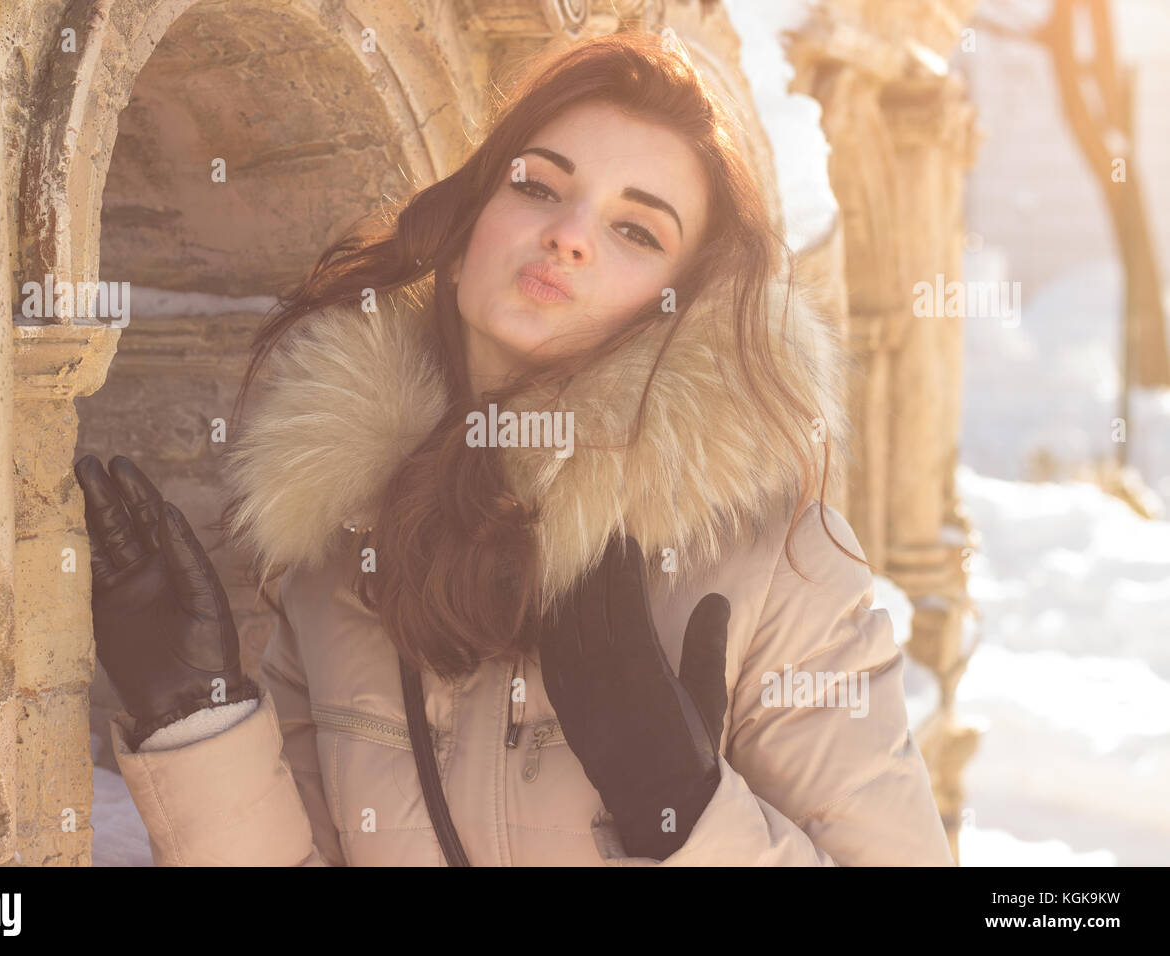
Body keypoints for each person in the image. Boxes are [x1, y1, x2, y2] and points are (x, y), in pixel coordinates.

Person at [75, 30, 954, 866]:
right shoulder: (341, 552)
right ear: (463, 237)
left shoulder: (775, 562)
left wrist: (683, 809)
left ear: (676, 308)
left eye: (635, 230)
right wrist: (195, 718)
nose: (568, 232)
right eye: (537, 186)